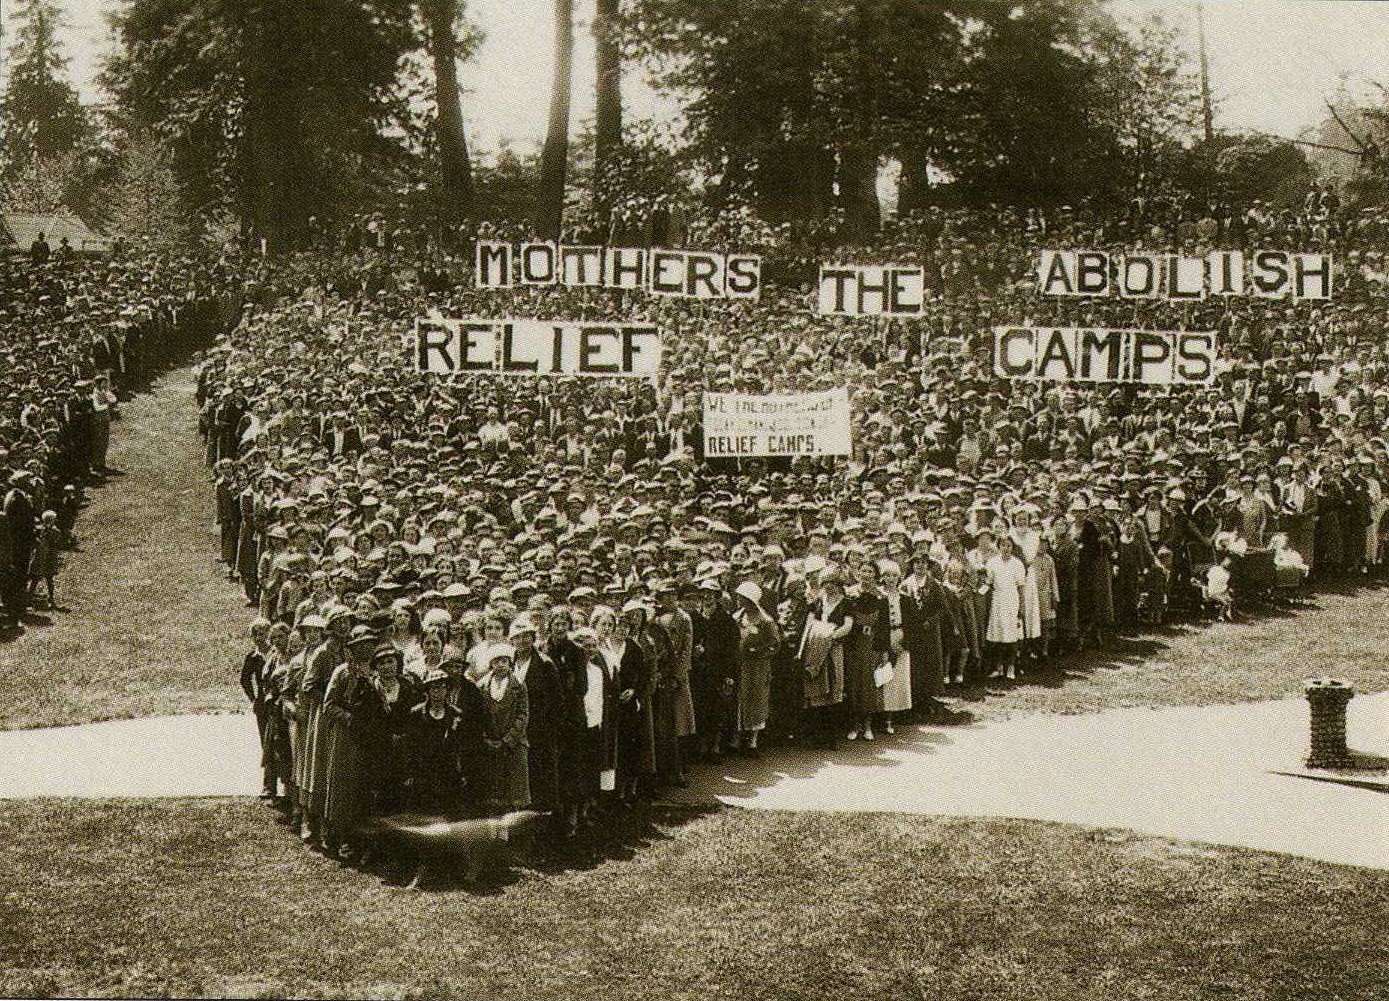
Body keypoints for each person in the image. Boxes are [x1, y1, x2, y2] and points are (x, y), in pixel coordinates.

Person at [321, 625, 384, 861]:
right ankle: (341, 837)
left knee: (366, 787)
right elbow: (329, 705)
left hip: (371, 737)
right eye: (361, 645)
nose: (366, 648)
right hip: (346, 737)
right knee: (343, 786)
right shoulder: (342, 673)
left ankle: (366, 841)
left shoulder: (378, 671)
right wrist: (350, 719)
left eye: (370, 643)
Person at [477, 642, 531, 815]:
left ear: (510, 663)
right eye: (496, 661)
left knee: (515, 794)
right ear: (491, 664)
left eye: (504, 661)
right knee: (494, 793)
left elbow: (523, 715)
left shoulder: (519, 685)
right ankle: (495, 835)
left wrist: (507, 740)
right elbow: (479, 716)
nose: (500, 665)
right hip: (491, 745)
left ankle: (516, 834)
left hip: (514, 744)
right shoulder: (482, 686)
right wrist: (486, 738)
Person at [400, 668, 463, 813]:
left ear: (447, 690)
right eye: (433, 687)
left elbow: (461, 746)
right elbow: (409, 745)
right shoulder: (416, 713)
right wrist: (409, 772)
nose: (437, 691)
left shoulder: (456, 714)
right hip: (422, 772)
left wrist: (461, 772)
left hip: (447, 772)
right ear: (427, 691)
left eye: (442, 687)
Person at [732, 580, 779, 754]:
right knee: (740, 699)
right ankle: (738, 736)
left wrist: (759, 651)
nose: (739, 600)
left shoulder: (766, 621)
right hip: (741, 665)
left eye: (742, 598)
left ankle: (753, 739)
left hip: (758, 667)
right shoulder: (737, 617)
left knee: (757, 699)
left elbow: (775, 644)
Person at [27, 510, 60, 609]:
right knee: (36, 578)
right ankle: (29, 599)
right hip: (42, 555)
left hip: (49, 556)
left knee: (49, 578)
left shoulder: (54, 531)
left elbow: (56, 540)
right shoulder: (41, 530)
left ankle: (51, 599)